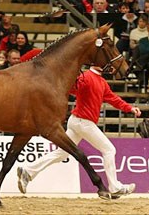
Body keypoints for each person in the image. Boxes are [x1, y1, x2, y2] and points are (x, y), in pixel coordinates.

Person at [17, 66, 141, 197]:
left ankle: (28, 171)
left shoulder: (100, 81)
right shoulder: (86, 77)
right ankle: (115, 187)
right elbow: (71, 89)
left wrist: (129, 108)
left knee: (62, 153)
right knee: (109, 150)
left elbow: (112, 98)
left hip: (77, 121)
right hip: (84, 123)